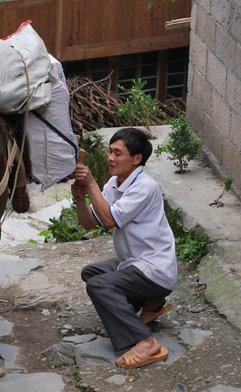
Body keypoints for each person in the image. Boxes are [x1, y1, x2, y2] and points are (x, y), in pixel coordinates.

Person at [71, 127, 177, 369]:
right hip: (134, 263)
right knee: (91, 273)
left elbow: (109, 221)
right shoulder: (114, 183)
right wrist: (80, 198)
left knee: (99, 285)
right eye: (110, 152)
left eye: (117, 153)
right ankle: (152, 302)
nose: (110, 158)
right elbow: (89, 223)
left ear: (136, 159)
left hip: (154, 268)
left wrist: (91, 184)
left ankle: (146, 341)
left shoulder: (144, 186)